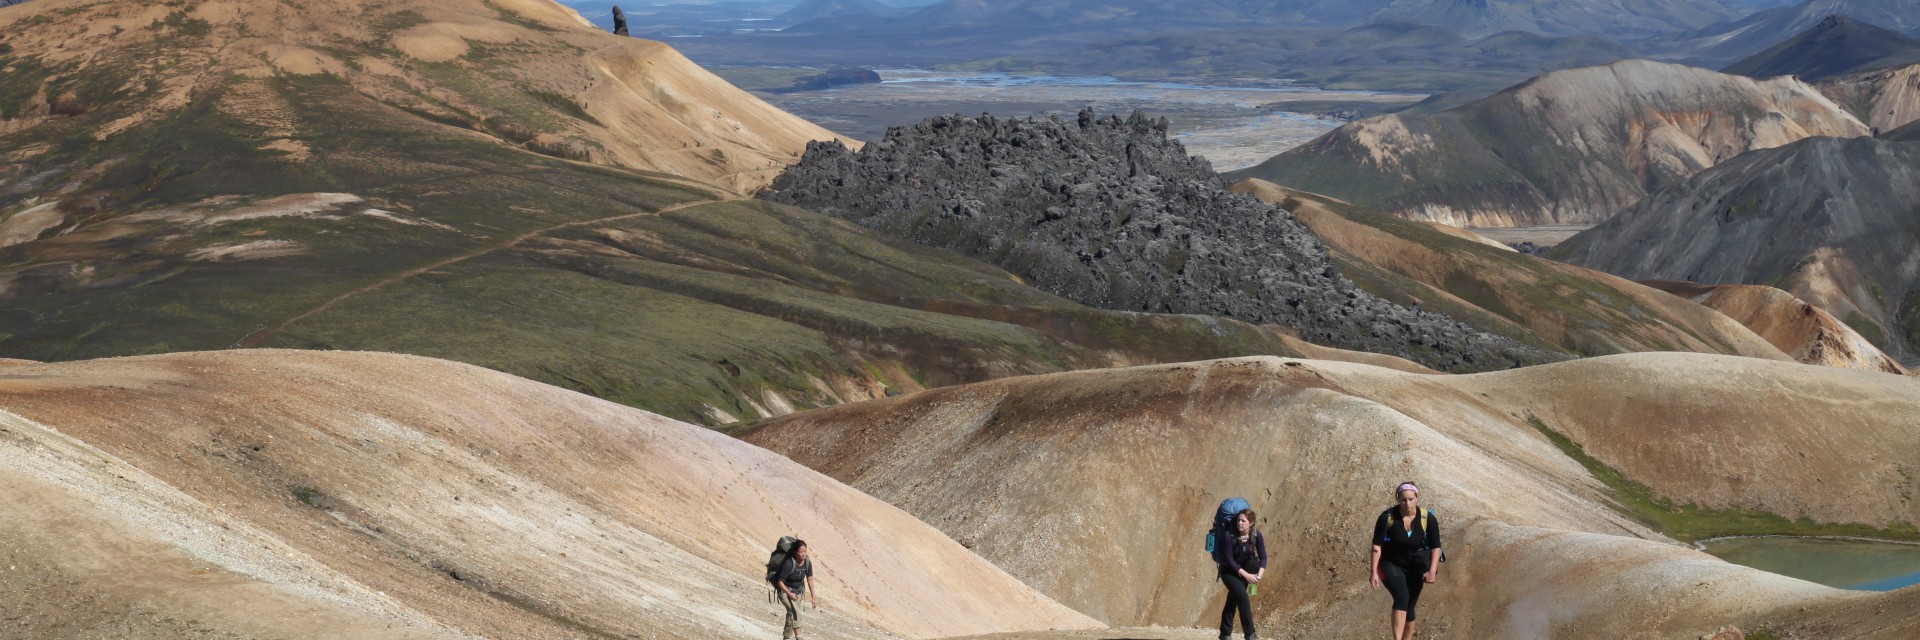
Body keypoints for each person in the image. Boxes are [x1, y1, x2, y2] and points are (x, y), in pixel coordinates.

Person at [1370, 481, 1442, 640]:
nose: (1407, 503)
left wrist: (1432, 571)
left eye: (1410, 499)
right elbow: (1377, 546)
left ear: (1417, 498)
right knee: (1402, 598)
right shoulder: (1387, 517)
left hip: (1415, 567)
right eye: (1403, 499)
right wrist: (1373, 572)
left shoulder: (1427, 518)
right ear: (1398, 499)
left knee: (1410, 607)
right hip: (1390, 564)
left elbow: (1436, 547)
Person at [1216, 509, 1266, 640]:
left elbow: (1264, 558)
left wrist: (1258, 576)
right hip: (1229, 571)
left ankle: (1225, 634)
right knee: (1242, 597)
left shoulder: (1256, 535)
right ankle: (1250, 634)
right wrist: (1247, 576)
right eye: (1238, 520)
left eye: (1243, 521)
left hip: (1246, 570)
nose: (1239, 523)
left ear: (1251, 523)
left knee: (1234, 599)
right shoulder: (1229, 535)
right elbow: (1230, 560)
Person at [773, 539, 817, 640]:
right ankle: (798, 637)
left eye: (805, 551)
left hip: (797, 591)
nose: (803, 554)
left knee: (791, 614)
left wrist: (814, 597)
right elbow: (780, 582)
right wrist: (789, 593)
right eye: (800, 552)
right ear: (795, 552)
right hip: (784, 591)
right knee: (794, 611)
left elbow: (810, 579)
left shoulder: (807, 562)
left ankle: (786, 637)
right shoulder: (789, 563)